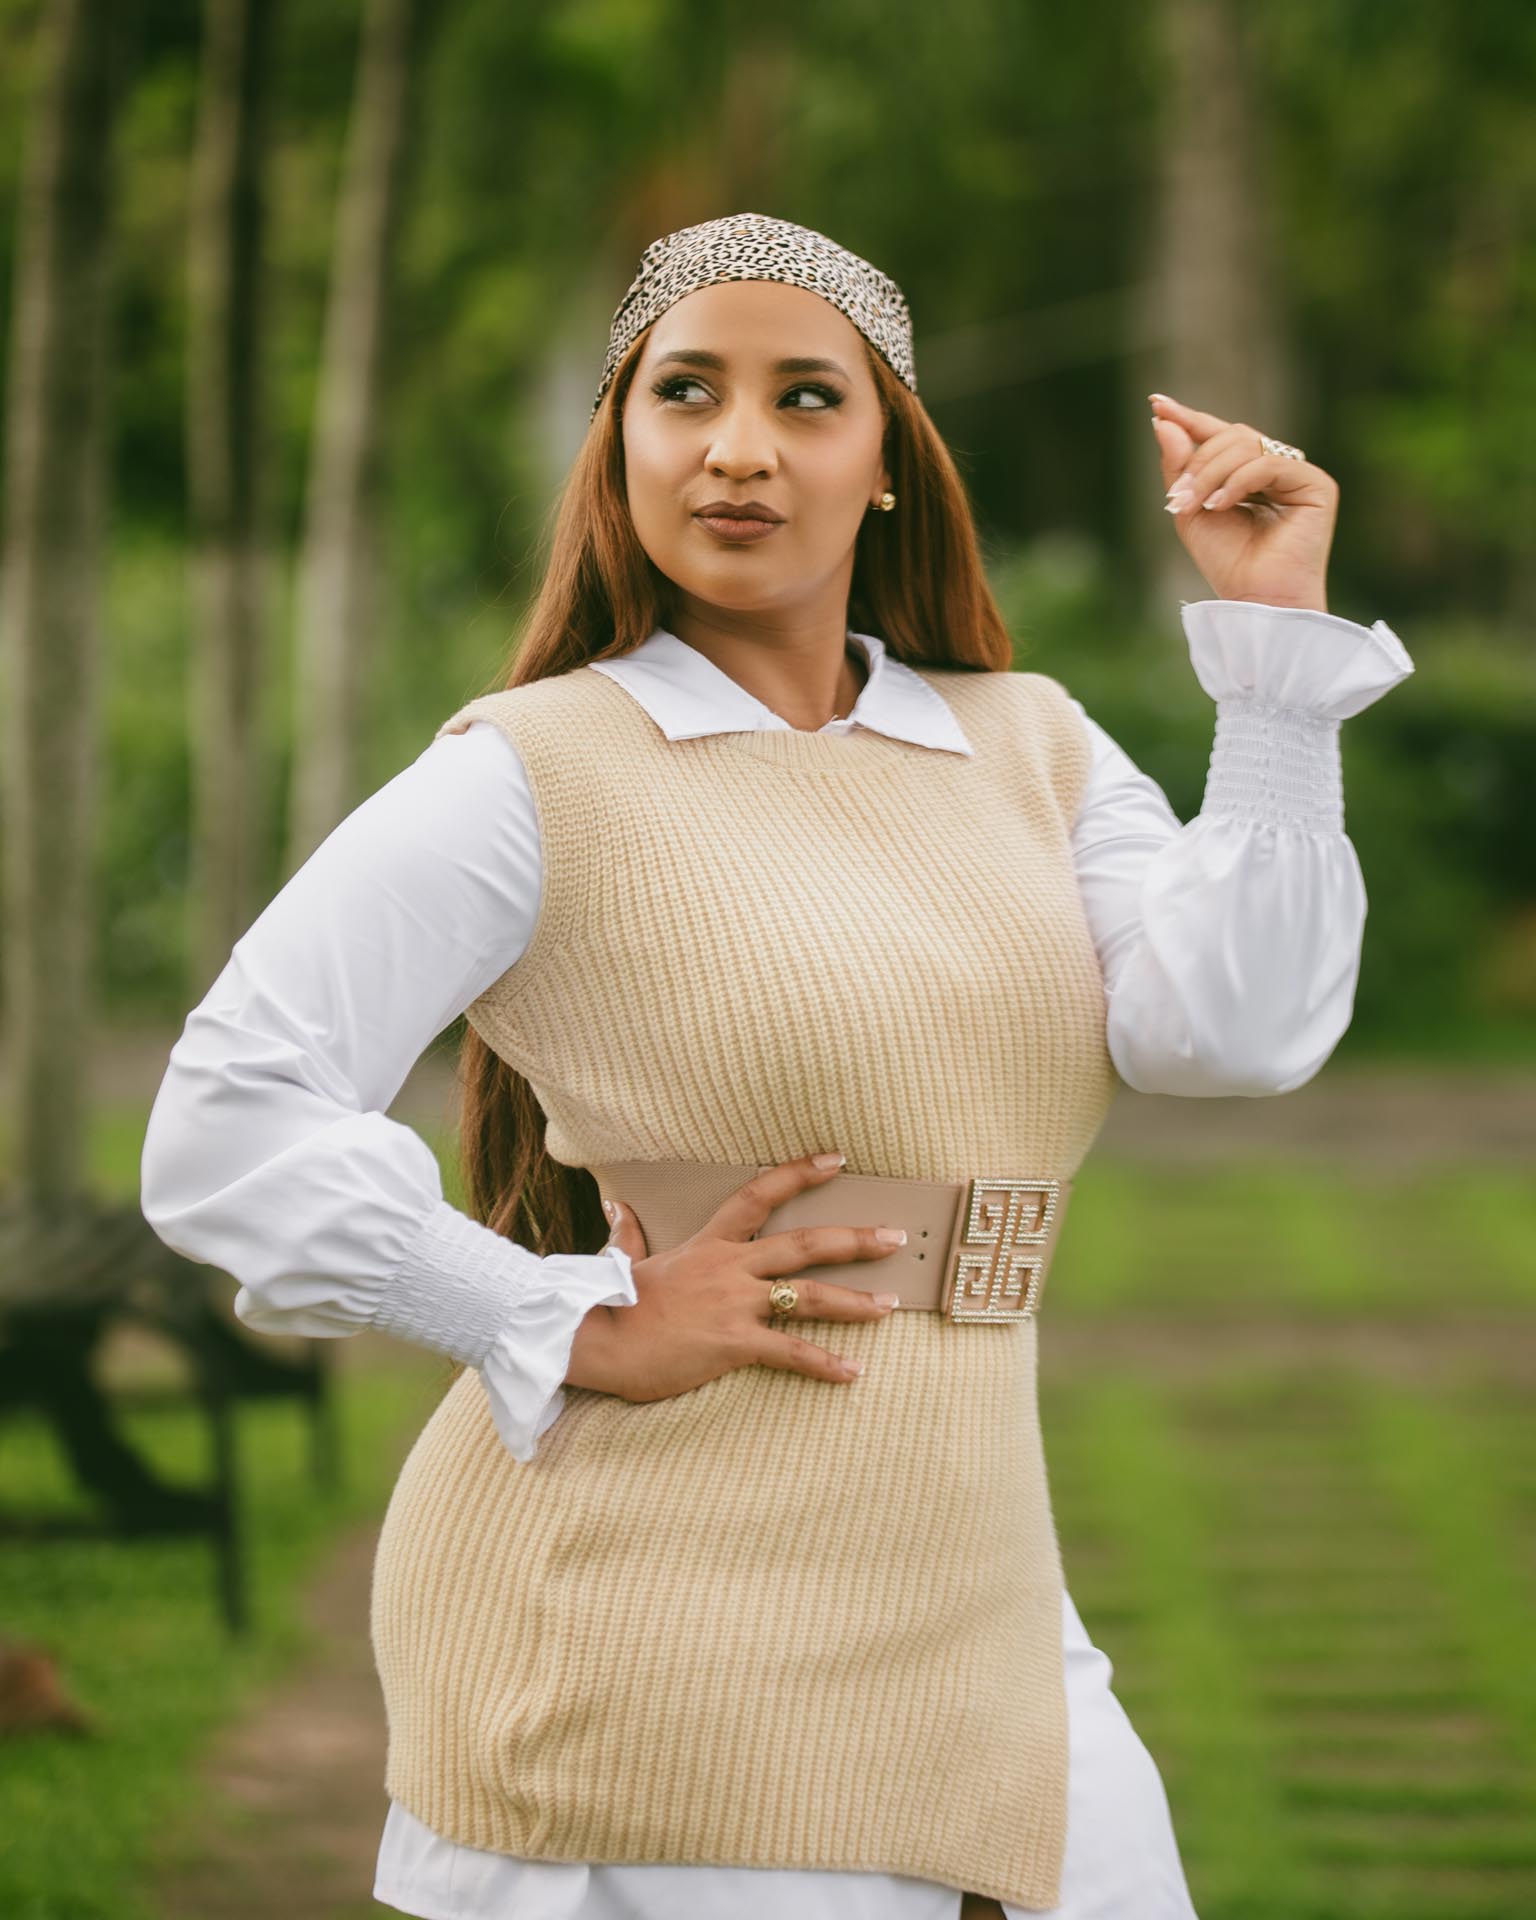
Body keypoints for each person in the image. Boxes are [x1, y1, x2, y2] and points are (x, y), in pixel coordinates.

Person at [141, 212, 1415, 1919]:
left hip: (977, 1586)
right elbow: (224, 1119)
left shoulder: (1028, 744)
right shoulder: (535, 769)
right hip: (651, 1621)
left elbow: (1235, 1034)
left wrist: (1278, 672)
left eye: (807, 397)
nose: (739, 447)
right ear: (620, 448)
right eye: (686, 393)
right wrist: (568, 1317)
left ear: (888, 463)